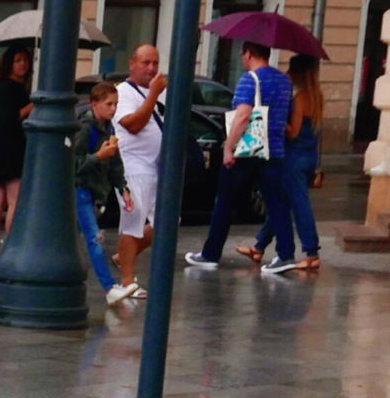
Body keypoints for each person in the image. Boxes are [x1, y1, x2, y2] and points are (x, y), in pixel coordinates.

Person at [187, 41, 297, 273]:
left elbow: (243, 116)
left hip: (248, 151)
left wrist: (229, 147)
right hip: (275, 150)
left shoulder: (249, 79)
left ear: (248, 54)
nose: (241, 58)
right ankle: (286, 255)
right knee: (276, 204)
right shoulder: (285, 81)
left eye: (243, 53)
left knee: (225, 201)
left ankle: (210, 253)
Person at [238, 53, 323, 272]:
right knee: (281, 205)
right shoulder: (317, 97)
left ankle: (312, 252)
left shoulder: (300, 98)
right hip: (309, 156)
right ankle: (259, 246)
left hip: (293, 158)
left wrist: (275, 122)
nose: (287, 74)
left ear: (298, 73)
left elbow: (293, 132)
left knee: (299, 205)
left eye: (290, 70)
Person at [75, 83, 134, 306]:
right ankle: (109, 287)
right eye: (109, 104)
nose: (113, 109)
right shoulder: (86, 128)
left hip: (91, 190)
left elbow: (115, 163)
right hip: (80, 188)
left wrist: (123, 188)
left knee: (84, 238)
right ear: (95, 104)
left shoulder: (108, 128)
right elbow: (75, 164)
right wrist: (99, 156)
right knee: (94, 238)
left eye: (116, 104)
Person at [113, 44, 164, 295]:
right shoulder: (124, 92)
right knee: (133, 221)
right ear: (132, 64)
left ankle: (124, 256)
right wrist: (154, 95)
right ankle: (127, 280)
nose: (151, 68)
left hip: (155, 167)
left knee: (165, 222)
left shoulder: (155, 92)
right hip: (133, 167)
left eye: (155, 63)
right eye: (146, 63)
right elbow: (132, 125)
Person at [0, 46, 33, 268]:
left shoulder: (4, 88)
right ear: (9, 65)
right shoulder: (11, 88)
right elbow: (12, 118)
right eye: (18, 60)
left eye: (25, 60)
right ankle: (9, 248)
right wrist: (32, 105)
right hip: (12, 149)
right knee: (12, 201)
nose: (23, 64)